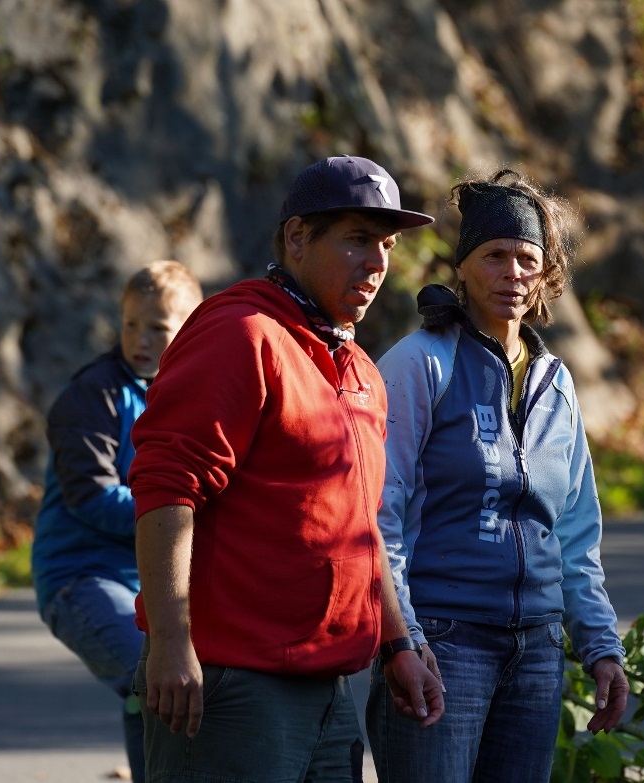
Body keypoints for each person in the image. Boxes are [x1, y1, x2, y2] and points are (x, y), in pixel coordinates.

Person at [128, 156, 445, 783]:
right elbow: (167, 486)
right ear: (297, 237)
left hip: (329, 689)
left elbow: (361, 526)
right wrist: (170, 641)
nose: (377, 262)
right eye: (358, 239)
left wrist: (396, 643)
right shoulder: (240, 332)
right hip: (230, 685)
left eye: (386, 245)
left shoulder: (356, 364)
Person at [365, 169, 628, 783]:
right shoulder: (420, 363)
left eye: (527, 259)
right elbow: (379, 512)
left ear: (545, 275)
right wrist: (402, 639)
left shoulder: (556, 383)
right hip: (441, 641)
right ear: (462, 267)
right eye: (494, 256)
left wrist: (600, 645)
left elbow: (574, 532)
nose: (512, 272)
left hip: (536, 652)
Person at [31, 259, 202, 783]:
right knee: (153, 676)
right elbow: (92, 497)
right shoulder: (93, 395)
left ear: (189, 330)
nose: (140, 339)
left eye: (157, 327)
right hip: (80, 577)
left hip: (152, 582)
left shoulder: (186, 393)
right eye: (130, 324)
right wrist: (181, 514)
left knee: (171, 688)